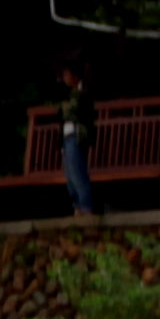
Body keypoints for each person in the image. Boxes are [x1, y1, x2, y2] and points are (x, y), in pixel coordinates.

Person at [57, 61, 99, 218]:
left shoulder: (83, 92)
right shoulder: (69, 94)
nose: (65, 78)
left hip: (77, 135)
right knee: (70, 174)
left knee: (77, 171)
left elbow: (72, 112)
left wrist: (66, 108)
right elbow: (62, 113)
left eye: (67, 74)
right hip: (66, 135)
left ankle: (86, 205)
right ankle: (77, 206)